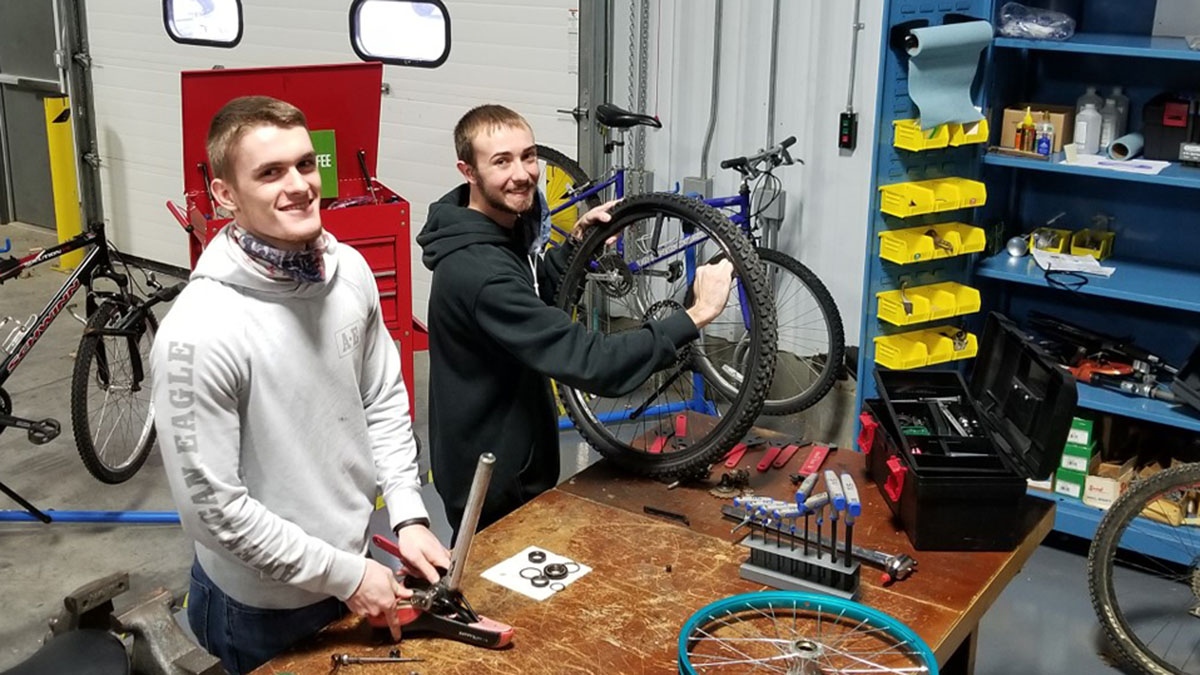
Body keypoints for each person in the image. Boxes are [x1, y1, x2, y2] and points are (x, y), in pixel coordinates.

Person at [150, 95, 449, 674]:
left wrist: (408, 514)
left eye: (306, 165)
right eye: (270, 172)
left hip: (355, 570)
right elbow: (213, 511)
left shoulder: (348, 272)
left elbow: (382, 398)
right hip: (262, 609)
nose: (299, 185)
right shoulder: (201, 331)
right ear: (224, 195)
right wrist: (346, 573)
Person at [417, 104, 734, 534]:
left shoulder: (500, 228)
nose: (523, 173)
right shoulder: (479, 272)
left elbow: (531, 297)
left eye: (528, 156)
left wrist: (576, 248)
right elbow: (593, 361)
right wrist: (695, 315)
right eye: (501, 161)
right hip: (495, 487)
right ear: (467, 171)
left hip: (512, 460)